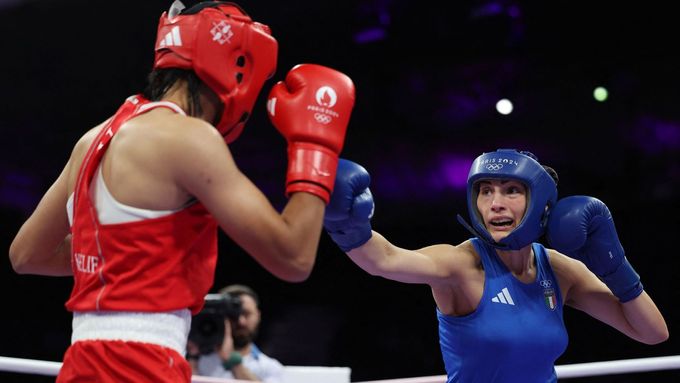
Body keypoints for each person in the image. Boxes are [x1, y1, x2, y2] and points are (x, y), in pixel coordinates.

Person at [8, 1, 355, 382]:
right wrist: (315, 147)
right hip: (142, 366)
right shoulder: (190, 139)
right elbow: (293, 258)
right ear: (238, 66)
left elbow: (27, 254)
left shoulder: (93, 139)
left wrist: (126, 260)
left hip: (83, 364)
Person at [323, 149, 668, 383]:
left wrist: (614, 265)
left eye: (512, 190)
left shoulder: (559, 270)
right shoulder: (461, 264)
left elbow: (652, 334)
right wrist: (347, 226)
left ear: (540, 204)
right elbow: (385, 259)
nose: (496, 204)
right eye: (485, 191)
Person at [188, 284, 284, 382]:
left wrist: (233, 361)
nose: (241, 321)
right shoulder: (196, 359)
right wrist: (193, 358)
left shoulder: (270, 368)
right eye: (233, 316)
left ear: (258, 315)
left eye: (247, 314)